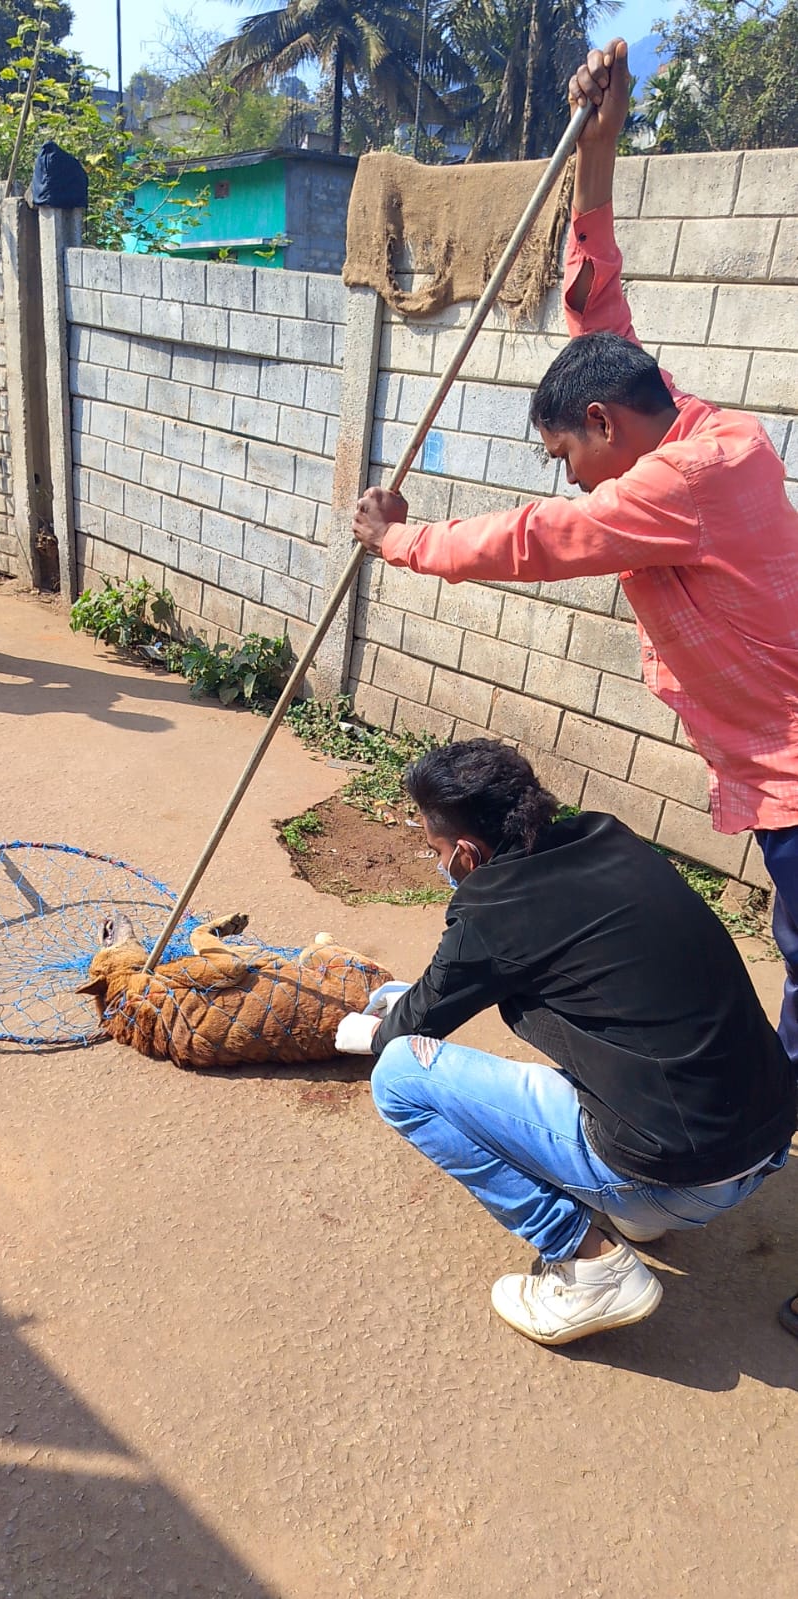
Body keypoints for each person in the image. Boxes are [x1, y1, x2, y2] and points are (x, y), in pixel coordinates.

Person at [352, 39, 798, 1335]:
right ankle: (752, 1138)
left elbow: (537, 544)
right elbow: (597, 316)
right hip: (774, 787)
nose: (570, 484)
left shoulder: (676, 482)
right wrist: (595, 142)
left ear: (605, 432)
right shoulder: (683, 422)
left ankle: (665, 1201)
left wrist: (400, 539)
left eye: (567, 458)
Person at [335, 739, 796, 1345]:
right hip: (763, 1140)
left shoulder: (491, 909)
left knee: (399, 1076)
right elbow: (444, 989)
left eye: (436, 849)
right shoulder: (609, 838)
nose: (438, 862)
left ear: (467, 853)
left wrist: (374, 1033)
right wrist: (414, 998)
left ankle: (589, 1265)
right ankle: (639, 1208)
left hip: (679, 1174)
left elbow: (416, 1023)